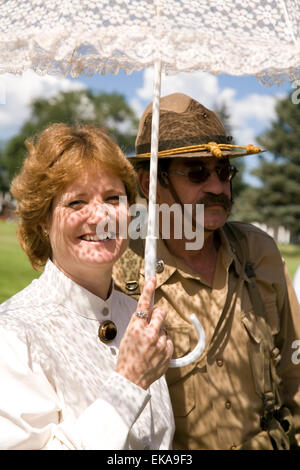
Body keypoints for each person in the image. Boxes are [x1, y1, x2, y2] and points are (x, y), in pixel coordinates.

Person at [113, 93, 300, 450]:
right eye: (197, 172)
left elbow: (295, 367)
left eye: (223, 171)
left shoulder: (259, 252)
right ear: (149, 183)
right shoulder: (120, 270)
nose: (217, 187)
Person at [0, 123, 174, 450]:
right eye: (77, 202)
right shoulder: (12, 334)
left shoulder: (135, 316)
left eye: (113, 198)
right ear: (43, 219)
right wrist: (128, 382)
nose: (101, 216)